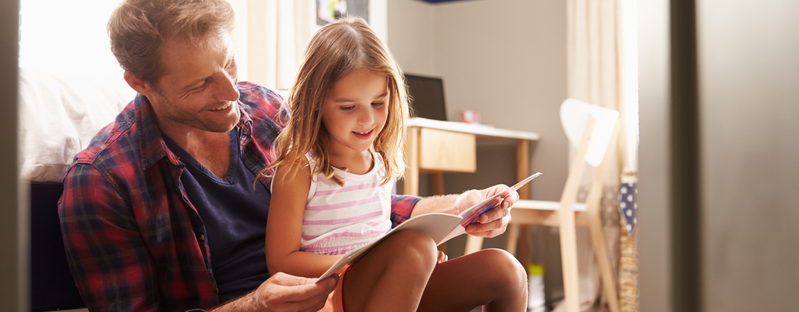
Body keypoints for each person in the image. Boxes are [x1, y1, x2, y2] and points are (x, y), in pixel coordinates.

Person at [58, 0, 521, 311]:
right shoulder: (103, 185)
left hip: (343, 283)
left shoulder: (266, 111)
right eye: (200, 83)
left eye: (229, 64)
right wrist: (254, 305)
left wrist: (457, 208)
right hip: (268, 301)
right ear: (140, 83)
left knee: (500, 267)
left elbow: (345, 205)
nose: (229, 92)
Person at [262, 17, 527, 312]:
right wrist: (386, 259)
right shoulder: (301, 168)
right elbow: (281, 262)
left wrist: (410, 261)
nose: (367, 120)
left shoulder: (379, 162)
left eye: (378, 103)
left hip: (383, 287)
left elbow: (377, 233)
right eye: (348, 107)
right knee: (416, 247)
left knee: (506, 271)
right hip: (329, 296)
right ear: (315, 102)